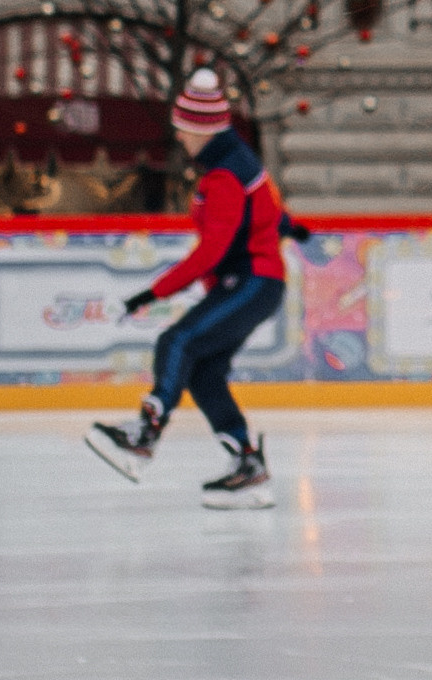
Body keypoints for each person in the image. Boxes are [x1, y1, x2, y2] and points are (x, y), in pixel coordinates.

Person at [84, 70, 290, 505]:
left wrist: (151, 293)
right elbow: (264, 218)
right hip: (253, 281)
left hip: (253, 281)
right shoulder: (232, 164)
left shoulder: (226, 174)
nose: (178, 136)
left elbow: (212, 250)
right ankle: (248, 466)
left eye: (183, 128)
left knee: (176, 341)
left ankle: (144, 435)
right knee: (204, 372)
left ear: (201, 129)